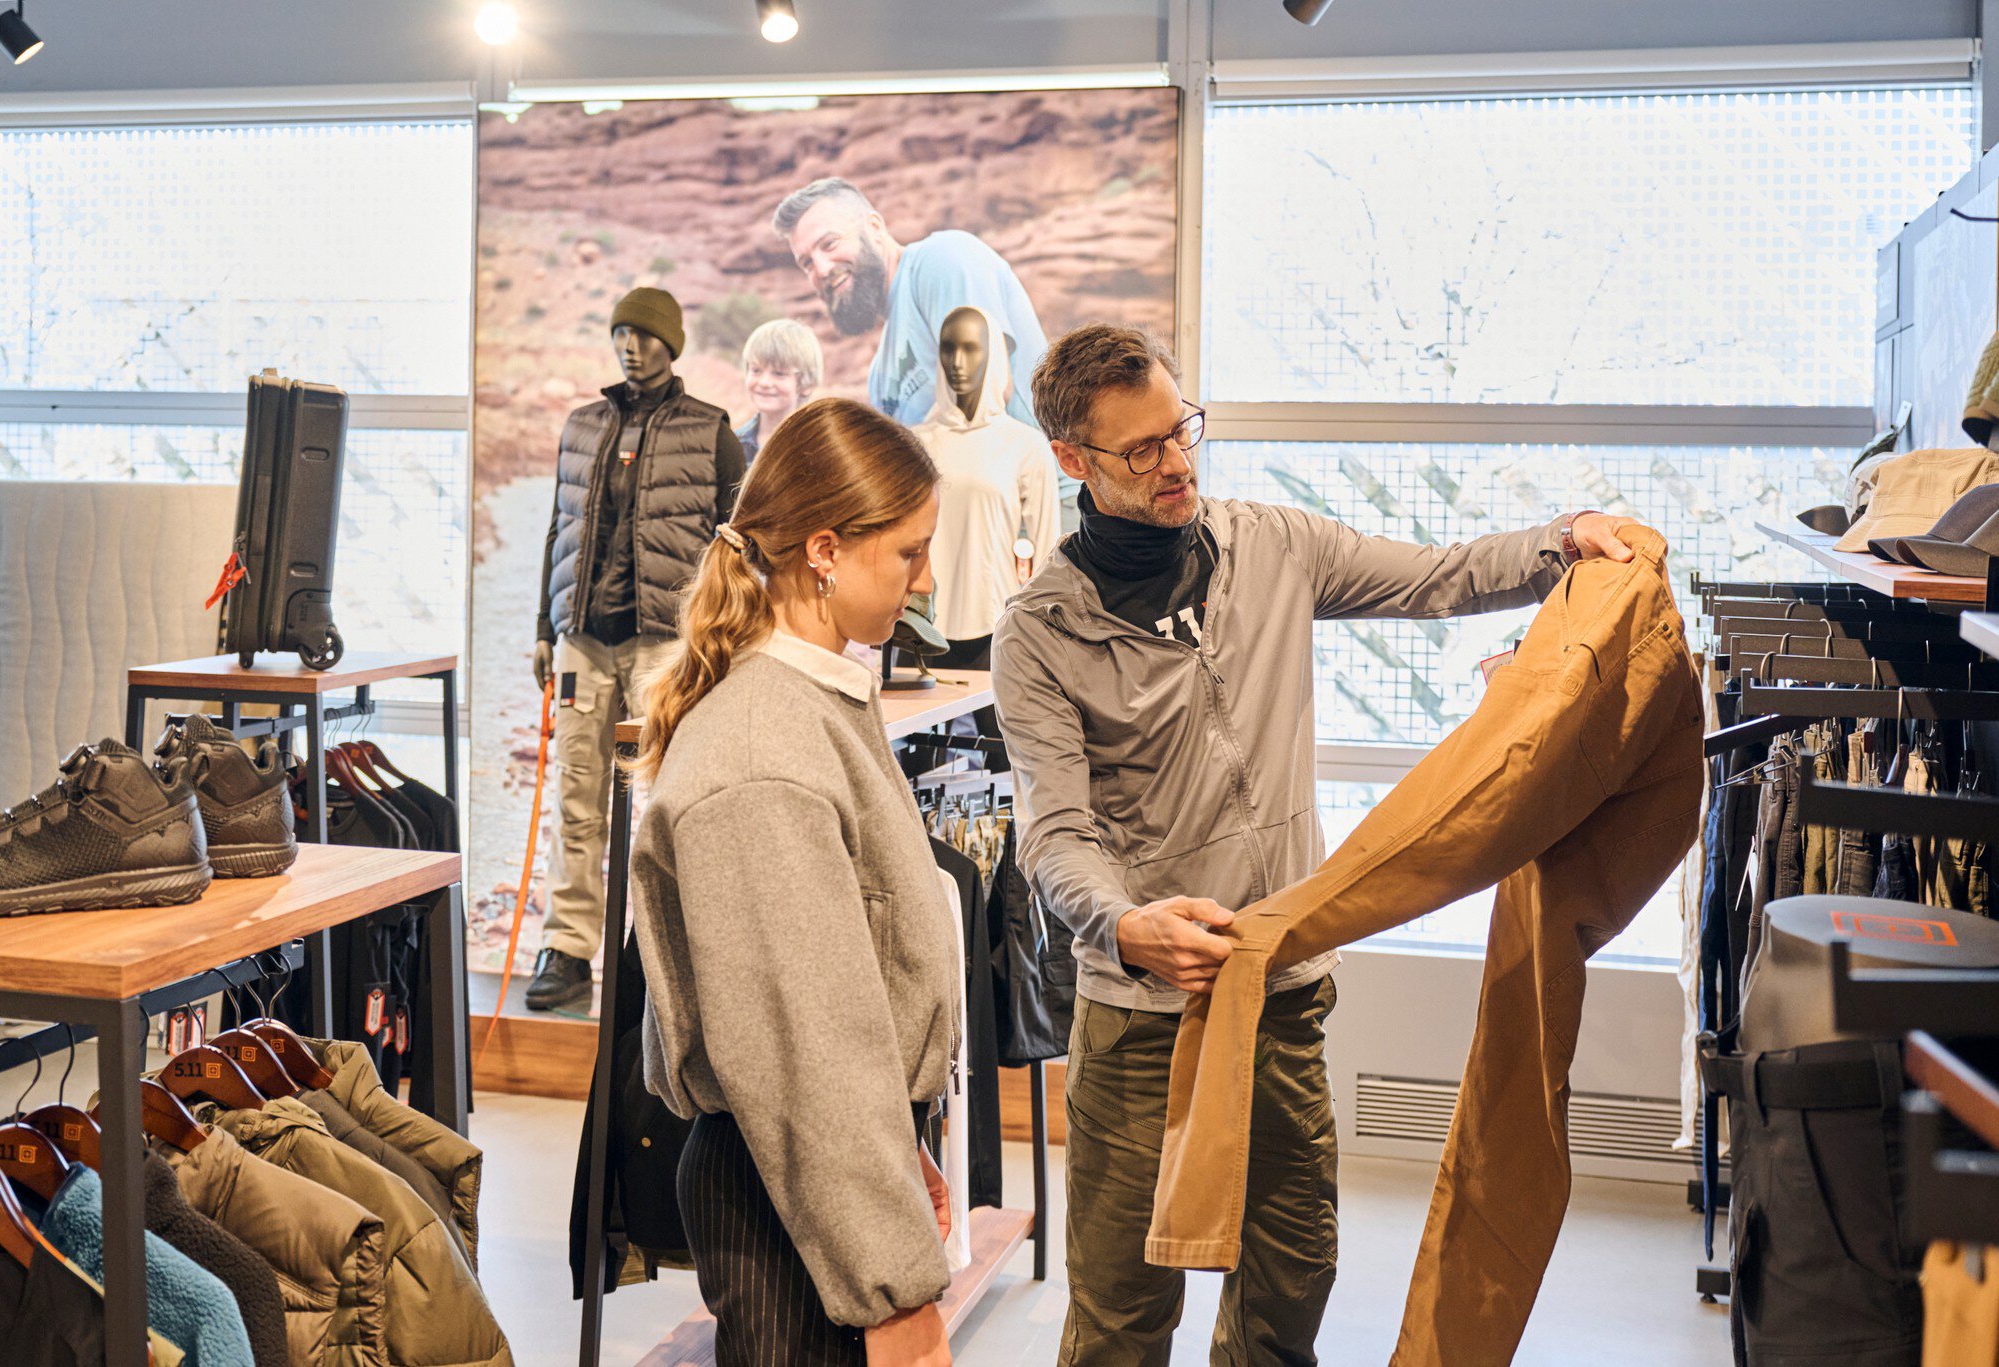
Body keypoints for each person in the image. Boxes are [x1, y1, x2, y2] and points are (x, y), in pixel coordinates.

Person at [988, 324, 1641, 1366]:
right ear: (1072, 460)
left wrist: (1561, 539)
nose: (1177, 464)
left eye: (1181, 429)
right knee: (1121, 1311)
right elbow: (1055, 832)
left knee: (1291, 1276)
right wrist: (1123, 923)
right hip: (1140, 1017)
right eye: (1141, 449)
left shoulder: (1270, 546)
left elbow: (1437, 576)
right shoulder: (1041, 629)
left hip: (1282, 992)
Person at [630, 397, 960, 1367]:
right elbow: (805, 1047)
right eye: (908, 551)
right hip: (789, 1197)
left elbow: (853, 994)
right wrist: (895, 1289)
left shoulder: (808, 705)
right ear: (825, 548)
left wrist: (901, 1149)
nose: (926, 578)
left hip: (823, 1178)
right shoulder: (760, 754)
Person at [527, 286, 746, 1012]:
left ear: (671, 345)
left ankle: (663, 952)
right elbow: (557, 532)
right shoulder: (583, 426)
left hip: (665, 646)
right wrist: (542, 627)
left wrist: (721, 639)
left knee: (665, 801)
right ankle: (566, 947)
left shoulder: (710, 430)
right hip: (585, 639)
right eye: (621, 332)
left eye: (645, 335)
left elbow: (736, 547)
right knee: (578, 797)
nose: (631, 346)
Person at [771, 176, 1048, 432]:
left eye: (829, 244)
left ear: (874, 227)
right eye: (806, 263)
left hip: (1050, 482)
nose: (820, 269)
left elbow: (985, 392)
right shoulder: (879, 376)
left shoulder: (942, 258)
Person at [911, 305, 1059, 670]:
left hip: (994, 625)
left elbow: (1046, 550)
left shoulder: (1024, 445)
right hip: (918, 623)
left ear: (991, 354)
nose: (957, 362)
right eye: (948, 348)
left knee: (997, 729)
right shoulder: (914, 444)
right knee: (914, 728)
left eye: (970, 348)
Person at [736, 317, 822, 462]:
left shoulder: (815, 447)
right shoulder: (734, 444)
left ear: (807, 384)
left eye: (779, 374)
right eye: (756, 370)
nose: (764, 382)